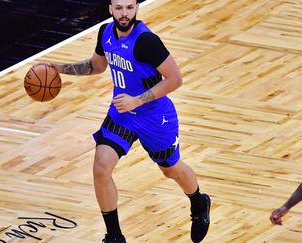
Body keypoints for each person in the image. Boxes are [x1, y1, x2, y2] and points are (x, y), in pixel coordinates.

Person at [38, 0, 210, 242]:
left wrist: (137, 100)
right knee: (101, 168)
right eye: (119, 8)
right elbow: (95, 66)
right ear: (110, 9)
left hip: (155, 116)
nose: (124, 13)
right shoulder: (105, 33)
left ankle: (199, 202)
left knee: (171, 170)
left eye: (129, 7)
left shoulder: (146, 41)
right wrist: (59, 68)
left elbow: (175, 79)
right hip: (122, 113)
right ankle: (115, 236)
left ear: (136, 8)